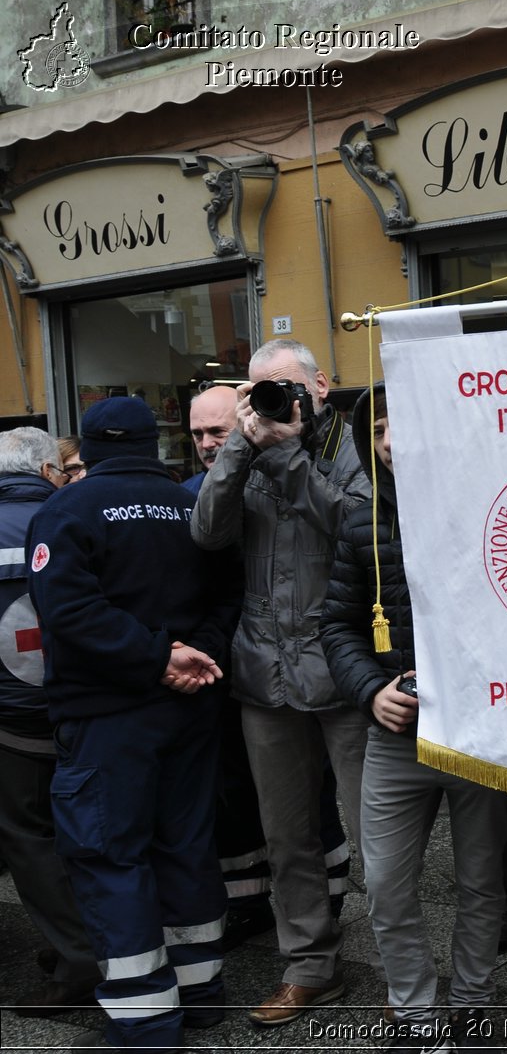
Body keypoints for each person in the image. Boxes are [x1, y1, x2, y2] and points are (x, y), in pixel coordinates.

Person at [28, 397, 241, 1049]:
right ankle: (201, 992)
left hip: (107, 717)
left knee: (111, 857)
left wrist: (156, 658)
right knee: (186, 846)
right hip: (191, 710)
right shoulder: (189, 504)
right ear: (155, 444)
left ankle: (145, 1021)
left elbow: (69, 611)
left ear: (86, 449)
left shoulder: (65, 510)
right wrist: (192, 655)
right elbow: (229, 593)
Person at [190, 338, 371, 1026]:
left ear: (320, 385)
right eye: (259, 388)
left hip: (344, 669)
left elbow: (357, 527)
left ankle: (403, 975)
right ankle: (309, 968)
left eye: (285, 386)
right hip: (265, 673)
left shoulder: (350, 445)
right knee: (288, 836)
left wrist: (292, 452)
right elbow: (208, 531)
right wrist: (241, 444)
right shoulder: (246, 446)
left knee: (375, 836)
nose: (275, 400)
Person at [321, 384, 505, 1049]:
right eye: (377, 429)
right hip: (394, 735)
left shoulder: (487, 506)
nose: (391, 440)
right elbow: (335, 625)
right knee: (388, 887)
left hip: (476, 732)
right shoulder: (358, 517)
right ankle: (418, 1016)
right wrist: (371, 690)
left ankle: (475, 1003)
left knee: (483, 882)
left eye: (402, 423)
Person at [0, 428, 100, 1017]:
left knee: (30, 839)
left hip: (11, 721)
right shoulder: (76, 517)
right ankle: (109, 943)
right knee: (92, 829)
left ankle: (77, 957)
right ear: (47, 471)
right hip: (84, 707)